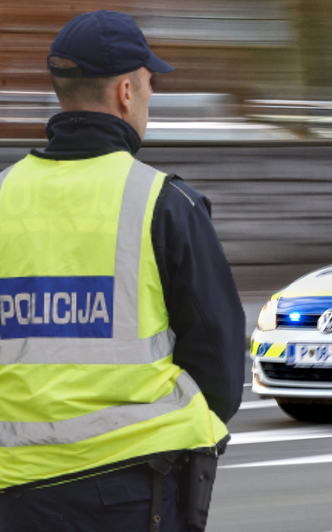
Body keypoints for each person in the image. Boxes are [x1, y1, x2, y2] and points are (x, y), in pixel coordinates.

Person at [0, 10, 245, 532]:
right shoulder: (165, 203)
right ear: (127, 92)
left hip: (13, 493)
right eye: (150, 85)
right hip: (133, 490)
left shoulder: (2, 197)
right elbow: (221, 370)